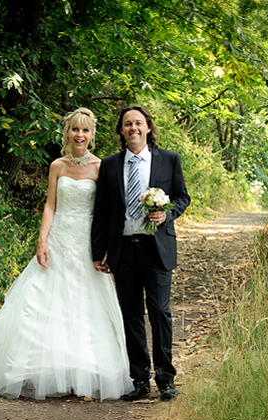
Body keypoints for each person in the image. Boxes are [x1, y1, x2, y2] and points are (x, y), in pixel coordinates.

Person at [0, 108, 134, 401]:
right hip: (58, 238)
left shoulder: (101, 167)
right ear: (67, 133)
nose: (80, 135)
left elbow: (105, 212)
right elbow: (50, 206)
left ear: (92, 135)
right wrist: (42, 241)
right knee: (40, 301)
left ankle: (82, 367)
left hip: (86, 242)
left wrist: (104, 246)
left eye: (85, 130)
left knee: (84, 302)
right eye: (75, 130)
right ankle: (35, 368)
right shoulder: (57, 166)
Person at [91, 104, 190, 402]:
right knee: (131, 314)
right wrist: (99, 251)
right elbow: (102, 211)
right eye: (127, 124)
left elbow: (182, 197)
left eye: (138, 123)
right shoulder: (109, 165)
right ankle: (139, 380)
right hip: (123, 250)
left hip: (156, 248)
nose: (133, 128)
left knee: (159, 312)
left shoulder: (169, 160)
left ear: (148, 127)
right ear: (121, 131)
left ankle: (165, 379)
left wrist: (167, 214)